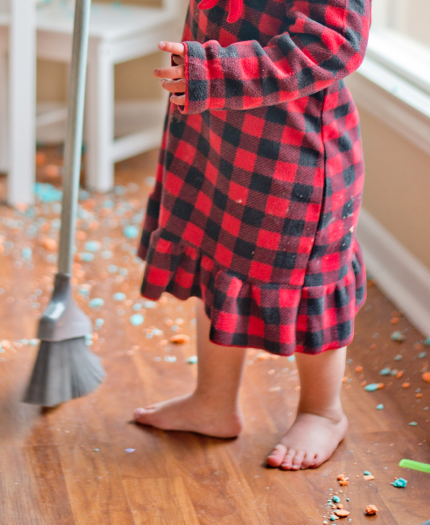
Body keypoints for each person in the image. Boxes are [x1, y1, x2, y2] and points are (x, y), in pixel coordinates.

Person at [133, 0, 372, 471]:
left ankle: (322, 411)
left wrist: (218, 75)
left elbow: (336, 43)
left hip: (292, 152)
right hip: (218, 130)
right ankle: (212, 403)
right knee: (216, 254)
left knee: (309, 280)